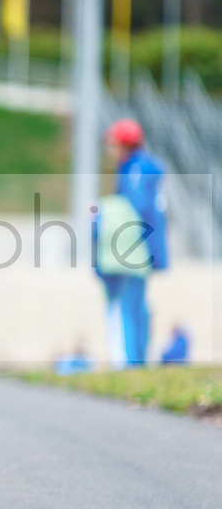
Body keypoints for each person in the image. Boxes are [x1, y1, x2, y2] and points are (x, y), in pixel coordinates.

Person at [94, 119, 168, 368]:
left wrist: (100, 212)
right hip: (142, 251)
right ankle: (137, 360)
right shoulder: (139, 168)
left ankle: (130, 363)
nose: (109, 149)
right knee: (137, 309)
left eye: (113, 143)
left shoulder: (135, 170)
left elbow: (135, 211)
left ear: (124, 144)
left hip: (131, 253)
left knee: (127, 309)